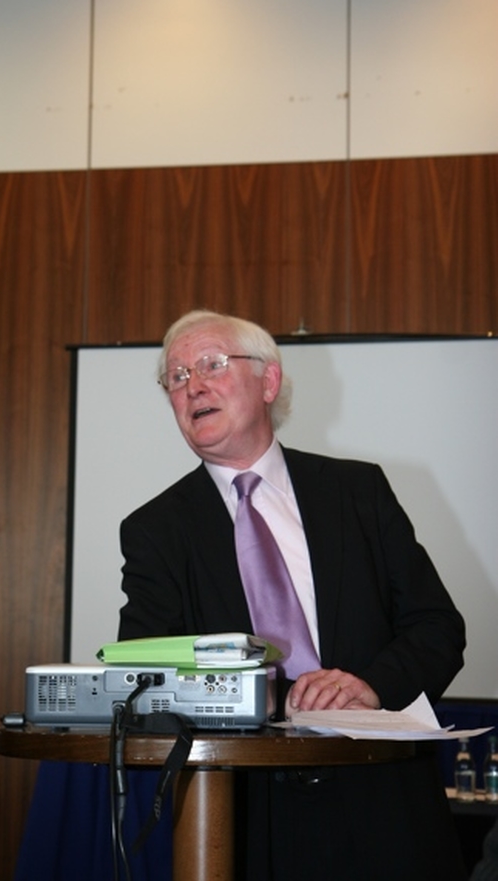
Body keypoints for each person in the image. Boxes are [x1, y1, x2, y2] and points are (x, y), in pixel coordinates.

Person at [118, 309, 467, 881]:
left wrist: (370, 685)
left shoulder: (358, 491)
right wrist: (276, 702)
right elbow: (149, 673)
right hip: (242, 817)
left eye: (210, 364)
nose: (192, 386)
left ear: (268, 381)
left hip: (383, 802)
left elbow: (437, 626)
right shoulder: (157, 530)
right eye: (176, 377)